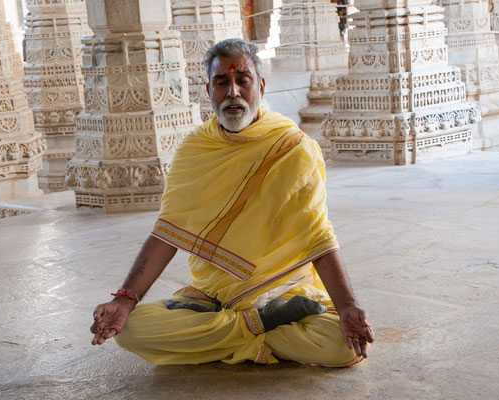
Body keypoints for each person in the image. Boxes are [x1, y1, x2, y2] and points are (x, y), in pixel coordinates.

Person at [90, 38, 374, 366]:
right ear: (209, 89)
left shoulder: (294, 147)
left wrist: (348, 305)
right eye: (222, 82)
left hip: (285, 288)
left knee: (341, 348)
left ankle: (224, 336)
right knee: (132, 331)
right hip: (217, 296)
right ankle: (260, 325)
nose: (233, 93)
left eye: (243, 81)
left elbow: (317, 234)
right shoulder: (195, 150)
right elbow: (166, 234)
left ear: (261, 86)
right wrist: (126, 301)